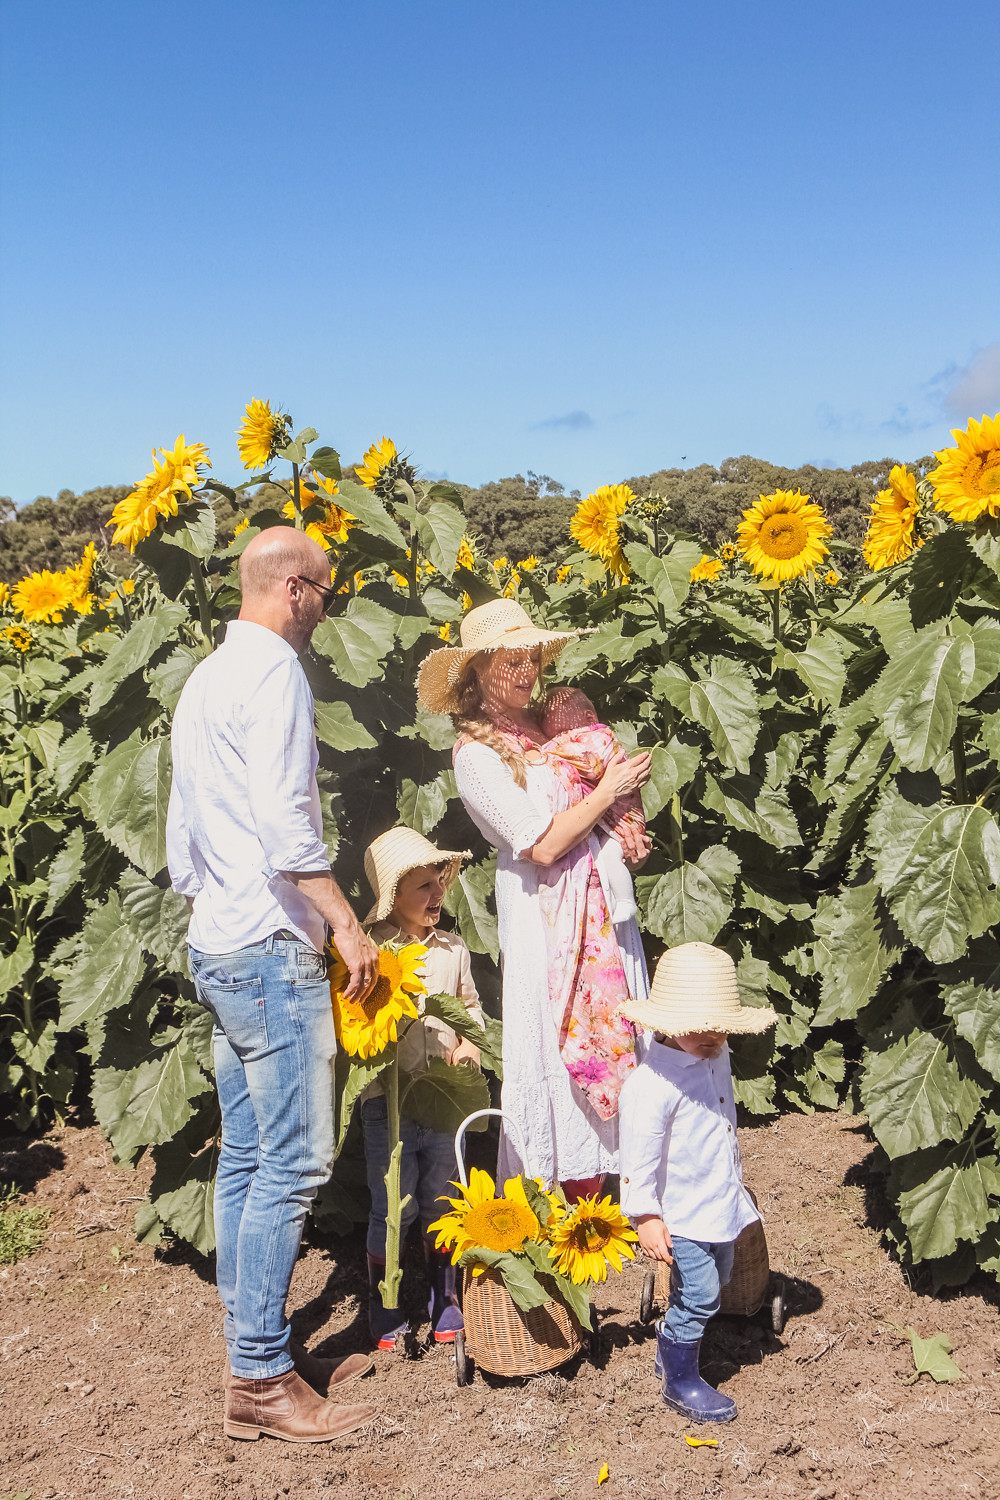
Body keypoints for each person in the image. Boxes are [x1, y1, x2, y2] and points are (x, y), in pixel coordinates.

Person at [166, 525, 378, 1445]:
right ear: (293, 589)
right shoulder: (275, 676)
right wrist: (345, 919)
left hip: (217, 940)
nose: (326, 612)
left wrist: (221, 904)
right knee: (293, 1162)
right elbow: (290, 826)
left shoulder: (205, 678)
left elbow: (183, 842)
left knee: (247, 1156)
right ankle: (258, 1376)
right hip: (267, 949)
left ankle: (250, 1343)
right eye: (326, 595)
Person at [415, 598, 652, 1201]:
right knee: (553, 1042)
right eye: (508, 662)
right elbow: (541, 845)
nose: (525, 672)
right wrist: (610, 794)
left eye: (531, 659)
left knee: (615, 1025)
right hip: (544, 915)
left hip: (596, 904)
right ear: (475, 672)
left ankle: (618, 1190)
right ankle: (559, 1201)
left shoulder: (549, 727)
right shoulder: (476, 756)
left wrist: (619, 813)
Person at [617, 942, 778, 1424]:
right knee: (703, 1293)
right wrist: (645, 1215)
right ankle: (680, 1379)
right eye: (700, 1027)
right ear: (667, 1025)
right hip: (682, 1210)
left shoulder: (714, 1053)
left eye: (721, 1026)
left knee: (720, 1277)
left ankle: (671, 1348)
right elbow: (638, 1158)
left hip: (717, 1199)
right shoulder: (651, 1087)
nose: (713, 1036)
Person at [359, 826, 484, 1350]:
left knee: (441, 1197)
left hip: (442, 1095)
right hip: (386, 1100)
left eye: (439, 883)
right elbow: (354, 1019)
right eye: (423, 888)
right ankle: (385, 1298)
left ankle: (444, 1294)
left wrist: (471, 1045)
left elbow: (471, 1006)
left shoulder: (453, 949)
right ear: (393, 898)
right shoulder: (371, 952)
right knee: (393, 1202)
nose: (436, 895)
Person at [539, 685, 647, 923]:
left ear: (590, 718)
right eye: (554, 736)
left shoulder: (602, 738)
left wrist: (545, 751)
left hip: (624, 821)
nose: (561, 740)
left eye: (566, 734)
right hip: (602, 822)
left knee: (610, 855)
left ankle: (626, 901)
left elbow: (591, 765)